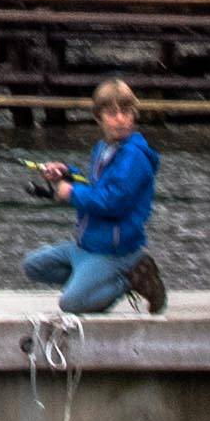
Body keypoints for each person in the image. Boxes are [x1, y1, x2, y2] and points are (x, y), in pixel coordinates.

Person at [21, 80, 166, 317]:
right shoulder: (103, 148)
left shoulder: (134, 158)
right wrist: (67, 174)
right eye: (112, 114)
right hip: (85, 246)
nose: (120, 119)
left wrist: (71, 193)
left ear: (134, 115)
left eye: (126, 112)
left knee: (70, 304)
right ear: (98, 118)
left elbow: (113, 202)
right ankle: (92, 281)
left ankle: (131, 278)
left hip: (114, 252)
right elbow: (96, 186)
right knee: (33, 266)